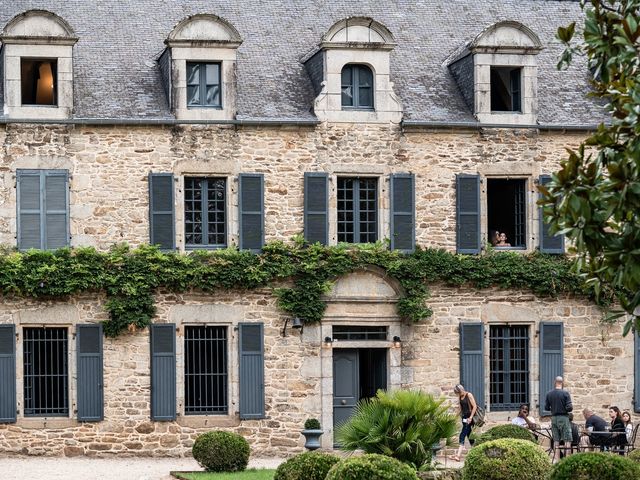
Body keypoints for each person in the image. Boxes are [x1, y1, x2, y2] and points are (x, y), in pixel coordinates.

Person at [544, 376, 573, 459]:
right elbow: (570, 408)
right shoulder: (565, 393)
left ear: (555, 383)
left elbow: (546, 408)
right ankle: (567, 458)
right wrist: (564, 408)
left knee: (556, 439)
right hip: (563, 417)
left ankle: (556, 459)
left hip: (554, 418)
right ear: (562, 383)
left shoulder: (549, 394)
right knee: (567, 439)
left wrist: (554, 408)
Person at [452, 384, 477, 462]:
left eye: (458, 392)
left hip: (470, 418)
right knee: (469, 436)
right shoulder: (460, 397)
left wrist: (470, 417)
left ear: (461, 390)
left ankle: (458, 456)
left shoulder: (468, 395)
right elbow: (460, 409)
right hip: (464, 418)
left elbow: (475, 406)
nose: (457, 394)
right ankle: (476, 452)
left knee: (462, 435)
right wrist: (455, 417)